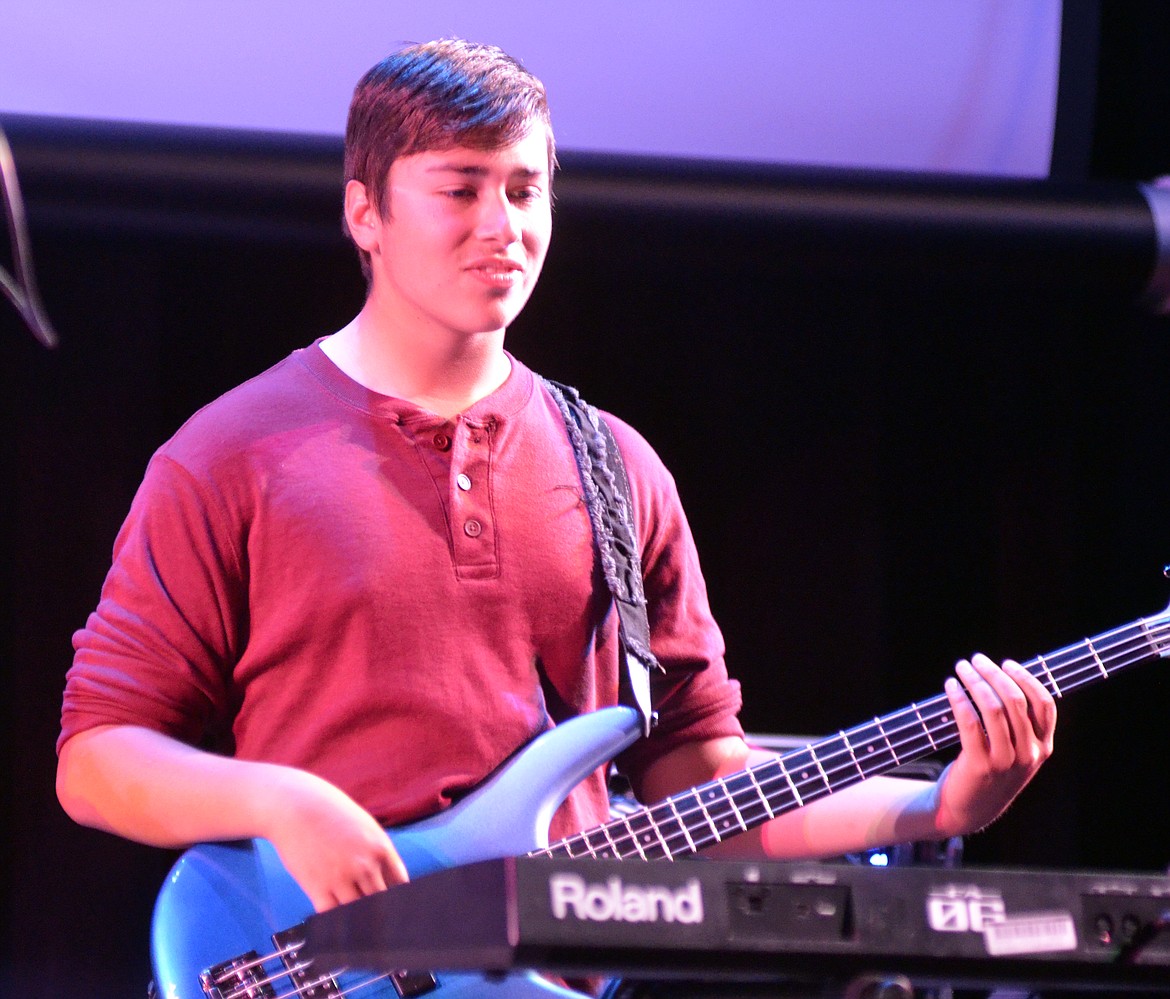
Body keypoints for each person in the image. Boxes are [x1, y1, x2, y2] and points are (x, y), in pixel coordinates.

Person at [56, 39, 1056, 920]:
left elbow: (697, 786)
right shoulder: (232, 452)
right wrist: (280, 799)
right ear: (363, 211)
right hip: (317, 960)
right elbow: (97, 760)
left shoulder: (615, 467)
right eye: (461, 189)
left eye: (525, 190)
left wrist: (938, 806)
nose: (505, 227)